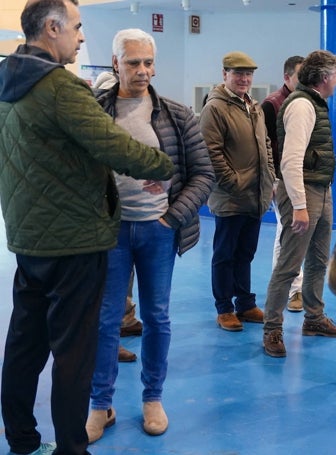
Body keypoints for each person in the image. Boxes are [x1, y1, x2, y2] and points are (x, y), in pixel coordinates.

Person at [0, 2, 174, 454]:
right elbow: (113, 143)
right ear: (52, 28)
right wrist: (161, 164)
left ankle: (21, 439)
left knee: (24, 342)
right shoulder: (60, 87)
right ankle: (72, 447)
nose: (80, 38)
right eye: (76, 28)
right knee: (74, 352)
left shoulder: (8, 82)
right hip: (74, 239)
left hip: (29, 236)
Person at [85, 28, 214, 443]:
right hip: (111, 232)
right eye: (133, 62)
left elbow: (203, 174)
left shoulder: (177, 115)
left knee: (156, 317)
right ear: (115, 63)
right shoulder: (94, 111)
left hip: (159, 230)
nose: (142, 71)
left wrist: (171, 217)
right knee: (106, 320)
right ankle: (99, 404)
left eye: (148, 62)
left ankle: (152, 398)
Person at [263, 49, 336, 357]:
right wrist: (298, 205)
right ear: (324, 78)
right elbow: (291, 160)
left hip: (321, 189)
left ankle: (314, 318)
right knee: (289, 264)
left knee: (318, 260)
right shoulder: (301, 106)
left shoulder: (315, 104)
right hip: (304, 193)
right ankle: (272, 328)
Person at [200, 51, 275, 332]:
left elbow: (265, 142)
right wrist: (234, 181)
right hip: (231, 196)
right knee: (225, 254)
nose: (244, 79)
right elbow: (211, 152)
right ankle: (224, 308)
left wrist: (268, 174)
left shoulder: (253, 106)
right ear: (225, 75)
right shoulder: (215, 108)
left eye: (248, 74)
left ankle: (245, 303)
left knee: (246, 253)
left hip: (255, 195)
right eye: (238, 74)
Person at [92, 72, 142, 363]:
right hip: (102, 217)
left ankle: (126, 321)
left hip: (126, 212)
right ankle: (107, 344)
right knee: (107, 285)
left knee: (124, 278)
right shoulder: (94, 127)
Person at [261, 55, 305, 312]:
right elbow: (267, 147)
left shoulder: (309, 102)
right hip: (281, 179)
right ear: (287, 77)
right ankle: (292, 290)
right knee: (285, 232)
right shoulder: (272, 105)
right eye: (299, 76)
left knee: (298, 234)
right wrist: (272, 180)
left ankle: (299, 289)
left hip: (301, 179)